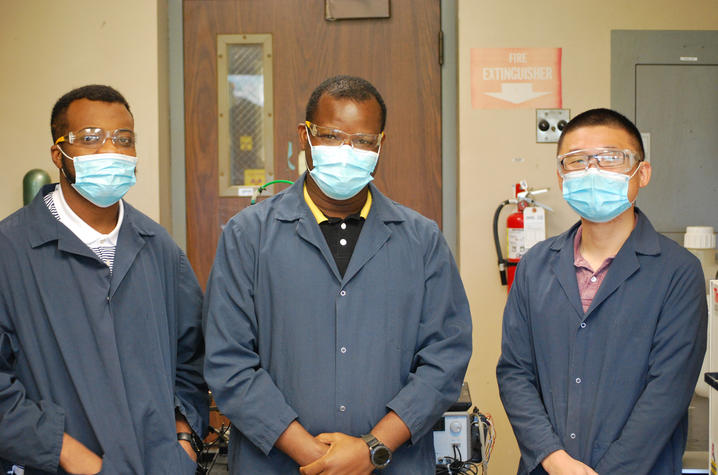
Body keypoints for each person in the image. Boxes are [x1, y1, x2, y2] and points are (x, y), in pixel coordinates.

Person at [203, 75, 473, 474]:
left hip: (393, 463)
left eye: (363, 141)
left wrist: (371, 450)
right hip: (277, 465)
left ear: (380, 145)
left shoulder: (421, 241)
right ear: (304, 136)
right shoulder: (249, 236)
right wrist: (318, 459)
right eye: (331, 136)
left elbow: (445, 359)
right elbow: (228, 361)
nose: (347, 151)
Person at [0, 85, 208, 474]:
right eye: (90, 139)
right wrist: (69, 455)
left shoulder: (158, 247)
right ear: (57, 154)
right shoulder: (11, 251)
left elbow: (190, 359)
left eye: (124, 140)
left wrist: (183, 440)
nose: (109, 150)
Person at [496, 108, 707, 474]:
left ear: (642, 173)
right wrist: (554, 458)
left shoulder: (678, 272)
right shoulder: (535, 267)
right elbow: (515, 373)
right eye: (576, 161)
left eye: (611, 159)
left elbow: (667, 393)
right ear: (561, 179)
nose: (592, 172)